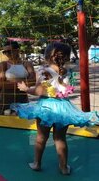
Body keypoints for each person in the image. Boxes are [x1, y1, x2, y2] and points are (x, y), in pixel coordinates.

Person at [11, 42, 99, 175]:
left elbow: (39, 91)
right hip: (63, 107)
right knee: (60, 138)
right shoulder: (68, 71)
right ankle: (63, 167)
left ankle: (37, 163)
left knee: (41, 137)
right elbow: (64, 89)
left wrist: (26, 89)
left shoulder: (43, 71)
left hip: (46, 107)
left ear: (48, 56)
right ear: (66, 57)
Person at [0, 41, 36, 115]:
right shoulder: (3, 64)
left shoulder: (27, 64)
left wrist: (10, 81)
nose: (7, 54)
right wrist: (24, 83)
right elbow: (1, 84)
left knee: (23, 123)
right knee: (3, 123)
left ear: (17, 50)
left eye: (9, 51)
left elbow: (33, 81)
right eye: (5, 52)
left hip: (22, 99)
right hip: (5, 99)